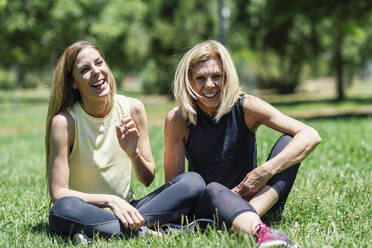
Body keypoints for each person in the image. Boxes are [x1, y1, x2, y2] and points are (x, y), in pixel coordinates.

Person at [164, 40, 321, 247]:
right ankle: (250, 225)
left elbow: (310, 135)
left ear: (227, 77)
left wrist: (265, 171)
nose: (209, 85)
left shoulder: (246, 106)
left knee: (290, 142)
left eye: (216, 76)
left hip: (256, 200)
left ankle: (247, 218)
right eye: (200, 78)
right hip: (209, 206)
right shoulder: (179, 119)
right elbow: (177, 189)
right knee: (212, 189)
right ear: (189, 82)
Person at [45, 41, 206, 242]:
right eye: (85, 69)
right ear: (73, 82)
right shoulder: (65, 122)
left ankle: (97, 232)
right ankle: (149, 233)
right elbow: (58, 192)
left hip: (131, 209)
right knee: (62, 209)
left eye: (99, 63)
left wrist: (133, 153)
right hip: (86, 210)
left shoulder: (133, 108)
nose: (96, 72)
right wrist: (110, 201)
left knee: (193, 182)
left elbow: (147, 179)